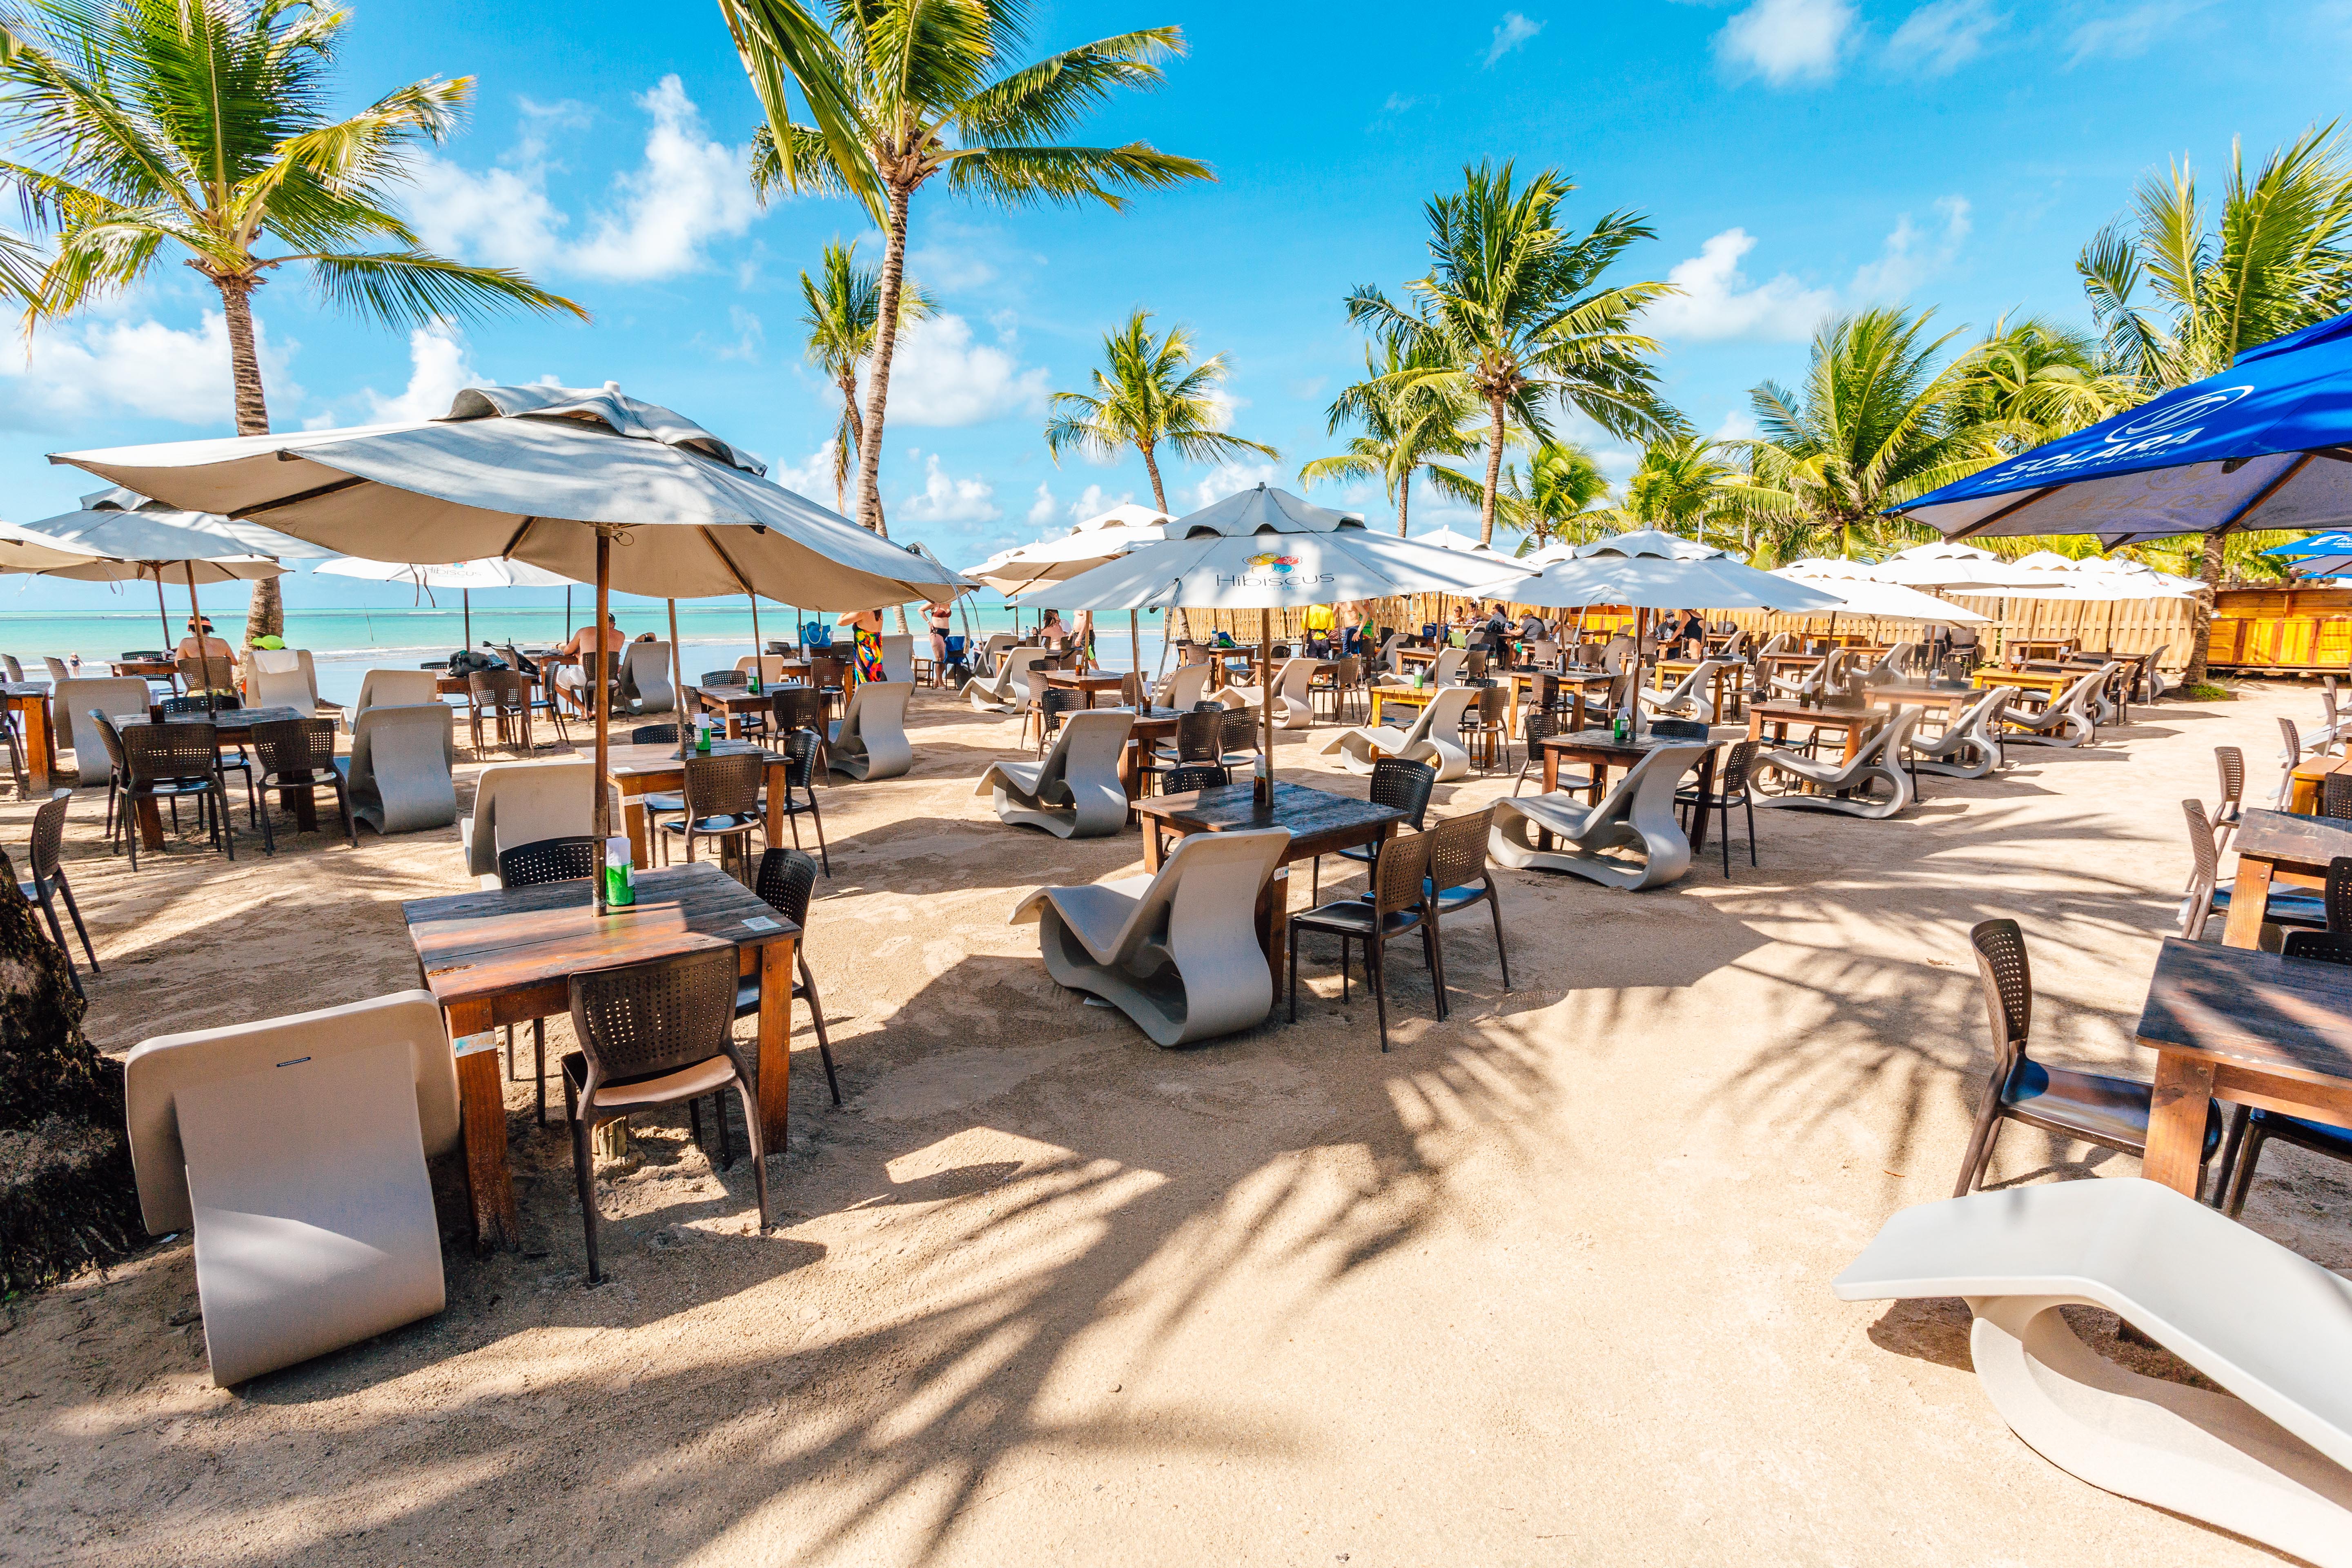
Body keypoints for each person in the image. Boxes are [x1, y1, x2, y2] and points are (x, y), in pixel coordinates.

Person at [837, 607, 885, 685]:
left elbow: (840, 622)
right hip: (876, 653)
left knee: (865, 683)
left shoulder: (863, 612)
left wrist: (848, 608)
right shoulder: (878, 612)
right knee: (874, 682)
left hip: (865, 654)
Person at [926, 599, 956, 686]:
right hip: (936, 633)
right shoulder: (934, 603)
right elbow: (920, 610)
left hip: (946, 632)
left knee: (944, 658)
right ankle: (941, 683)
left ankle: (936, 682)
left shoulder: (948, 603)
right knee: (940, 658)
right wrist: (929, 622)